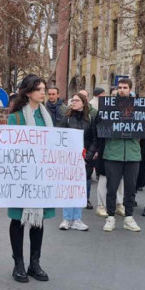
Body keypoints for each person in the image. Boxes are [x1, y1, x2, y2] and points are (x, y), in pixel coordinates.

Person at [7, 74, 54, 282]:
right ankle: (18, 264)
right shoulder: (15, 117)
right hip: (21, 177)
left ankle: (35, 263)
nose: (43, 92)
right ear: (28, 93)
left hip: (41, 176)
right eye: (39, 89)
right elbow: (7, 146)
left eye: (44, 88)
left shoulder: (47, 116)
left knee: (38, 221)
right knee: (18, 220)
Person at [88, 78, 141, 233]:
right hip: (113, 153)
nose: (122, 90)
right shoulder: (108, 107)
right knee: (111, 188)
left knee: (130, 189)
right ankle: (110, 217)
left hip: (132, 154)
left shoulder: (138, 107)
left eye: (125, 87)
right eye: (120, 87)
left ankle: (129, 218)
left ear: (130, 89)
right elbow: (97, 126)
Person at [58, 93, 91, 231]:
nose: (73, 102)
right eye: (72, 100)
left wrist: (88, 155)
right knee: (68, 188)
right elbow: (60, 137)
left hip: (84, 159)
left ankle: (77, 219)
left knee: (79, 189)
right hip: (68, 158)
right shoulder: (66, 118)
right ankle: (66, 218)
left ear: (83, 103)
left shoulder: (90, 119)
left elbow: (93, 138)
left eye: (77, 100)